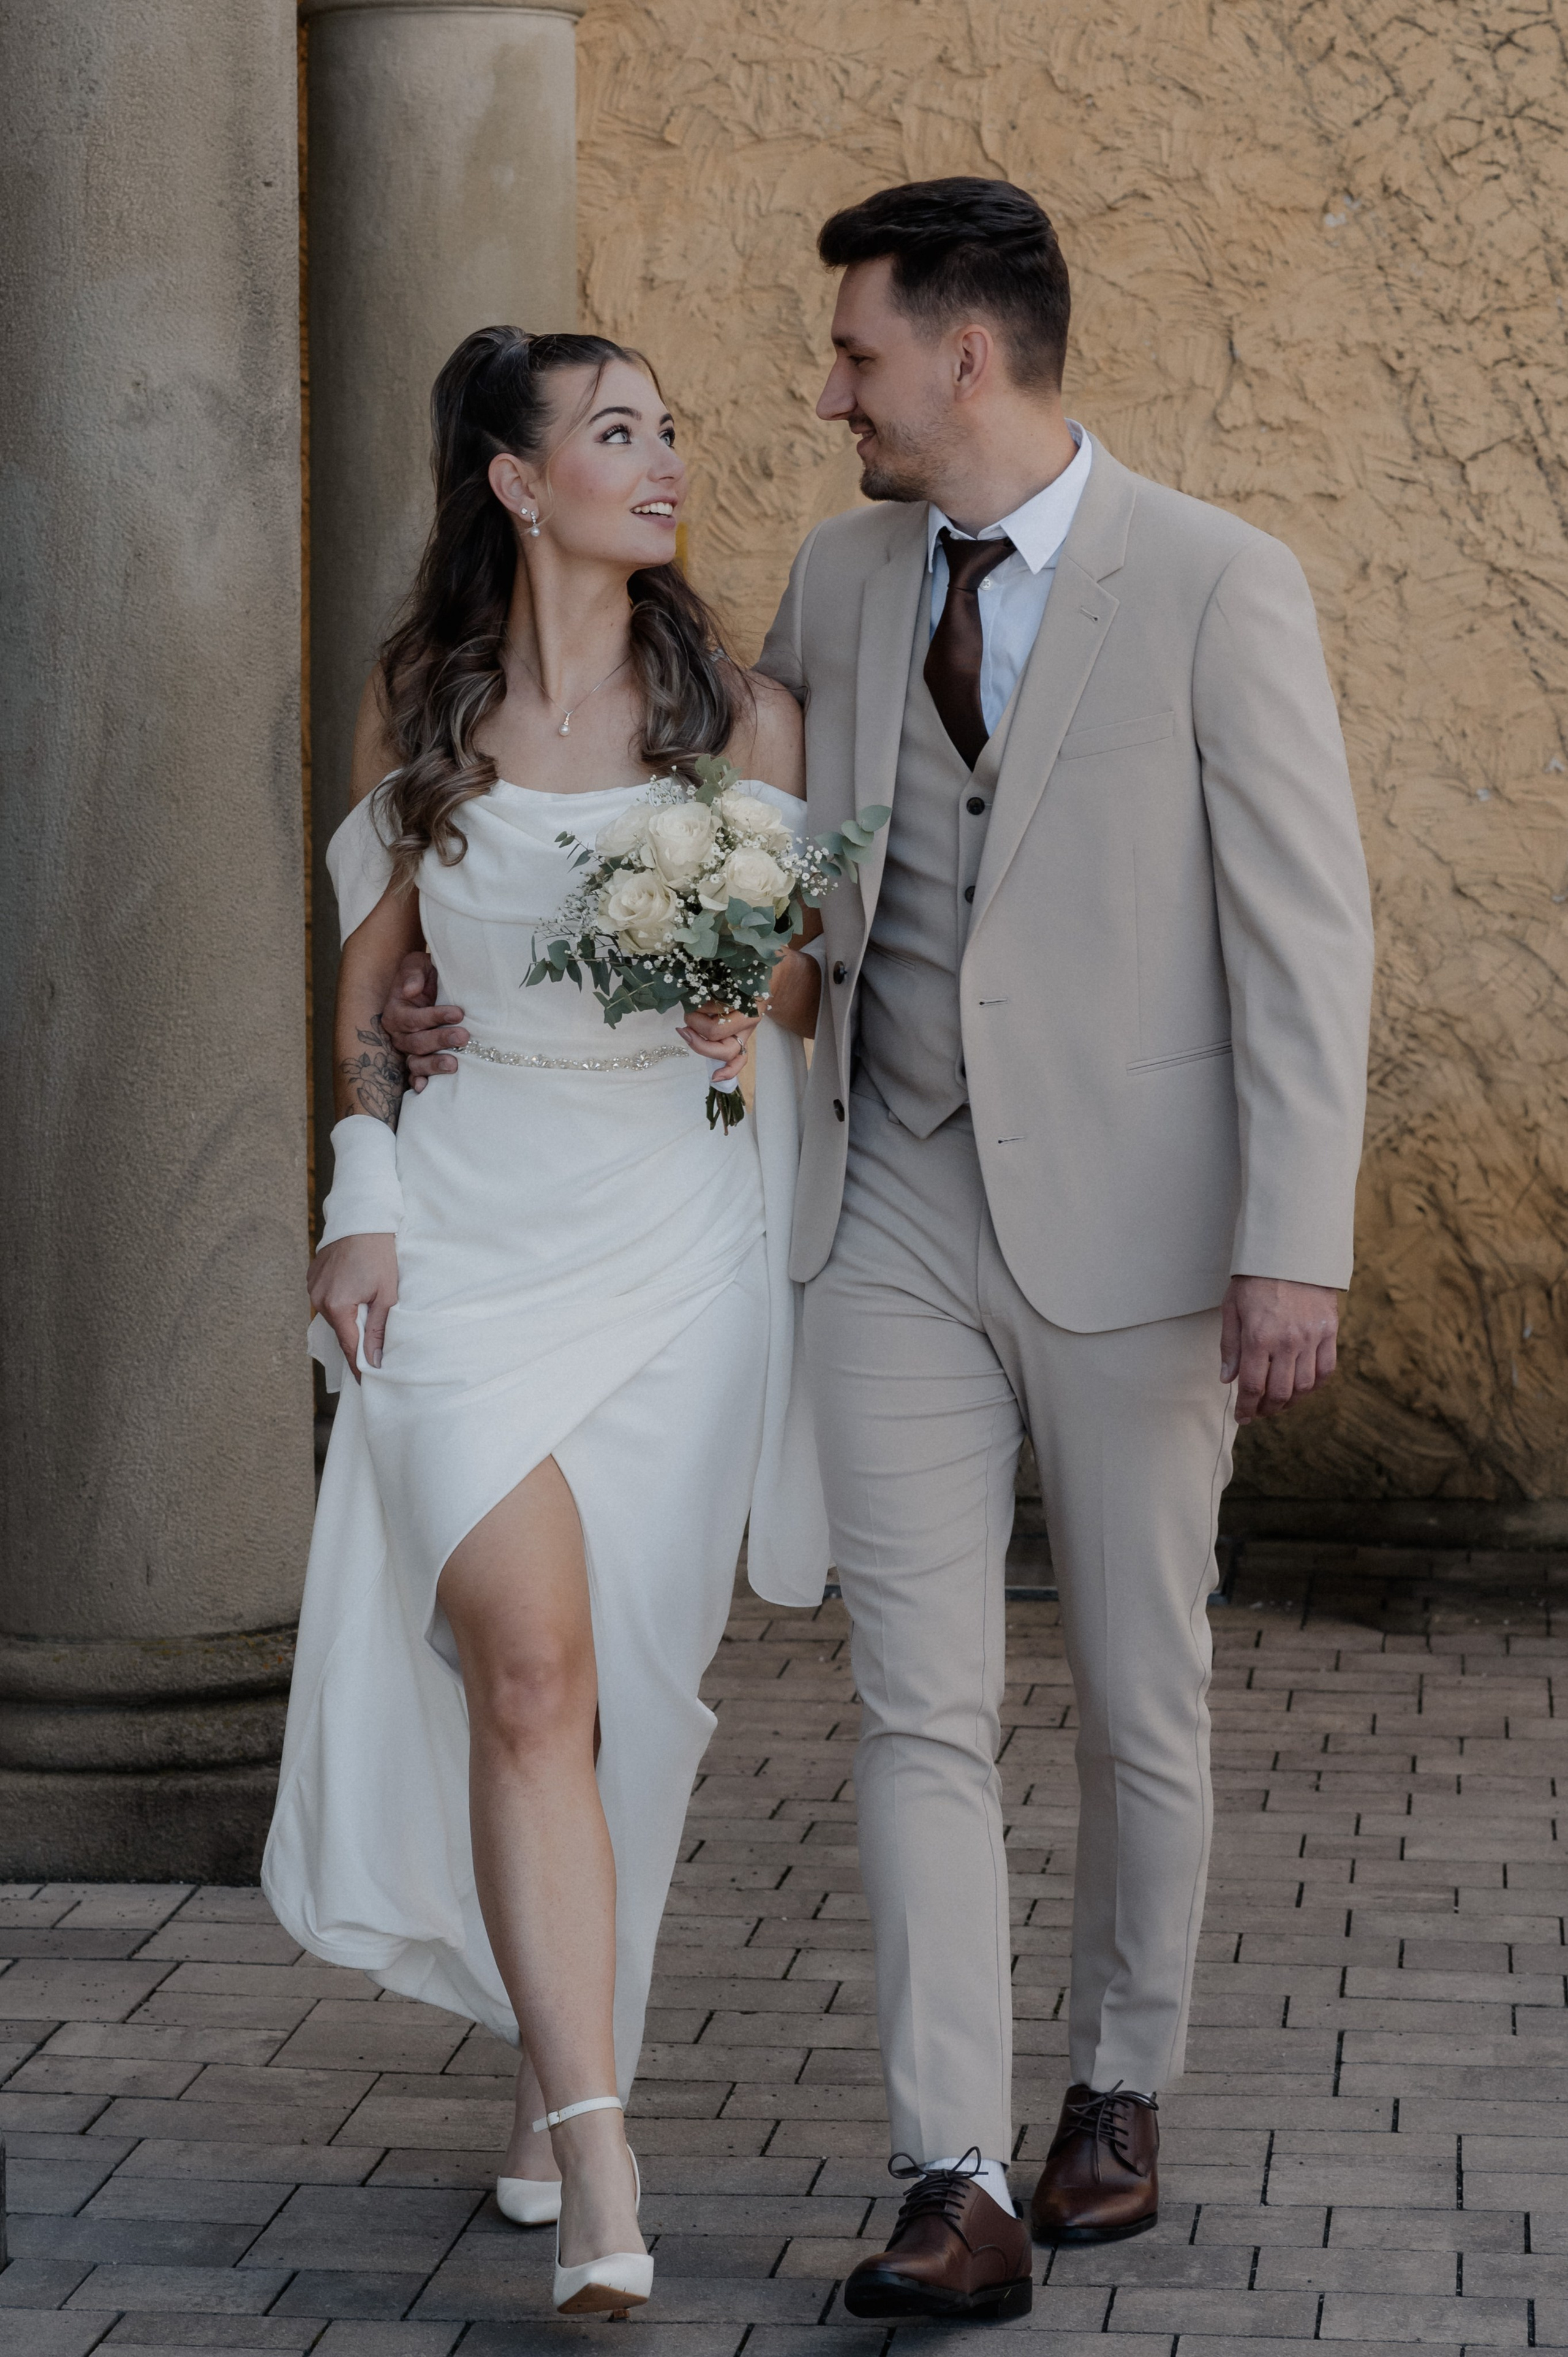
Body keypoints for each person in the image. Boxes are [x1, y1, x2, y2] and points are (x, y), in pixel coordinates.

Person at [387, 180, 1374, 2326]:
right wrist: (468, 988)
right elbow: (741, 866)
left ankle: (1115, 2085)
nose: (821, 390)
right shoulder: (840, 578)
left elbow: (1308, 938)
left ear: (965, 357)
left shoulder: (1218, 583)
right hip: (894, 1208)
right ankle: (953, 2169)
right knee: (916, 1703)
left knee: (1139, 1691)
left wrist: (1295, 1244)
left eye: (851, 355)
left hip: (1143, 1231)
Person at [262, 326, 827, 2320]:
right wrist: (364, 1200)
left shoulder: (742, 718)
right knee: (526, 1677)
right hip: (477, 1234)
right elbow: (368, 993)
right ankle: (603, 2172)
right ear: (515, 480)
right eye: (616, 433)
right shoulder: (417, 702)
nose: (666, 461)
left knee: (632, 1702)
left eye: (671, 427)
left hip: (676, 1245)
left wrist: (740, 1002)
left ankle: (551, 2056)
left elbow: (800, 996)